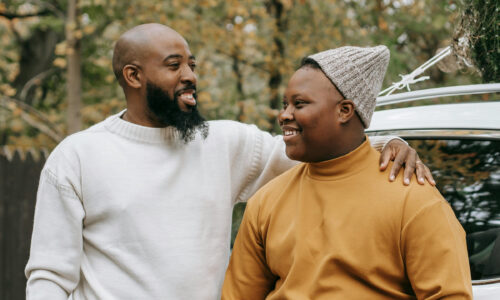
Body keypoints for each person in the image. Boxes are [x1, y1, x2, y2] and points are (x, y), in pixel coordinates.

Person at [25, 24, 434, 299]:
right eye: (174, 66)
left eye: (192, 64)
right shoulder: (77, 157)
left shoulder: (223, 142)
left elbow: (325, 150)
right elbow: (49, 276)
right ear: (134, 76)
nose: (190, 75)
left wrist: (387, 143)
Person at [222, 46, 472, 299]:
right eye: (285, 104)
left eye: (299, 104)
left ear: (344, 111)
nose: (284, 115)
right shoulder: (265, 202)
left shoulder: (413, 198)